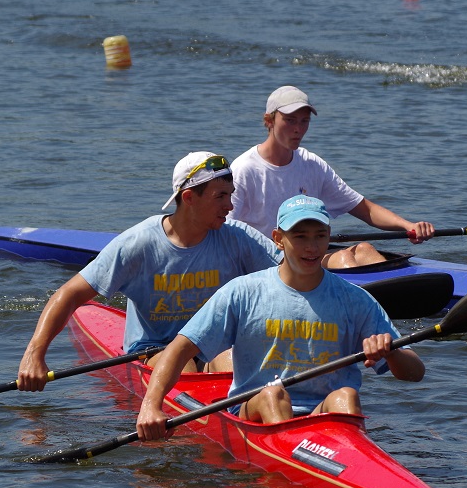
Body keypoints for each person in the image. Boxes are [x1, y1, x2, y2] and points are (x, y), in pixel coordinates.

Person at [136, 195, 425, 440]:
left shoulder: (355, 300)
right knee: (274, 395)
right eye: (300, 237)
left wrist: (392, 351)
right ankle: (289, 472)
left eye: (319, 236)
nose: (311, 247)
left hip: (322, 413)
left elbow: (415, 373)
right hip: (254, 411)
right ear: (278, 238)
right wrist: (151, 406)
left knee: (346, 396)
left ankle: (349, 466)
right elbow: (179, 349)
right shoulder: (243, 292)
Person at [17, 152, 279, 390]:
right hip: (156, 349)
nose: (230, 206)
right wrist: (34, 355)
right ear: (188, 198)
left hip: (214, 345)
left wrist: (320, 260)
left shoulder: (237, 237)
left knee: (240, 362)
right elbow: (69, 295)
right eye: (220, 197)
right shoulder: (138, 244)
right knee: (182, 369)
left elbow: (293, 266)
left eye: (230, 195)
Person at [227, 85, 435, 269]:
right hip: (265, 263)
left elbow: (365, 209)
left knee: (364, 249)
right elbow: (226, 231)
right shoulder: (245, 169)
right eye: (290, 121)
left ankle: (393, 295)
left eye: (304, 121)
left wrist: (408, 226)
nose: (298, 129)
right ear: (269, 121)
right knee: (342, 256)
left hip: (306, 255)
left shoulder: (312, 164)